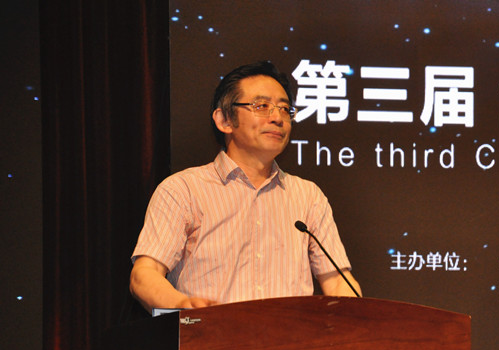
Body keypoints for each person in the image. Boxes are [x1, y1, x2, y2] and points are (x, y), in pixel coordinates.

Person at [130, 61, 360, 313]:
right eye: (261, 106)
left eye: (285, 109)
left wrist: (357, 320)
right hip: (210, 334)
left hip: (290, 337)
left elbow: (337, 281)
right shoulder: (183, 190)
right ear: (224, 120)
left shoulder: (308, 196)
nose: (277, 118)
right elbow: (145, 274)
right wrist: (182, 305)